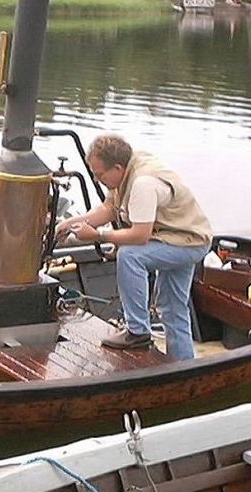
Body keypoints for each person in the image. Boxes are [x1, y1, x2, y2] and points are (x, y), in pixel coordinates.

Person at [57, 134, 212, 360]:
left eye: (100, 175)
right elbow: (109, 208)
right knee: (172, 308)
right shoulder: (127, 168)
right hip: (178, 236)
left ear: (118, 168)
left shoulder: (143, 183)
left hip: (188, 242)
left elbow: (140, 235)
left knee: (130, 256)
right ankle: (184, 367)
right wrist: (68, 224)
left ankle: (137, 332)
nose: (98, 180)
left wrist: (98, 235)